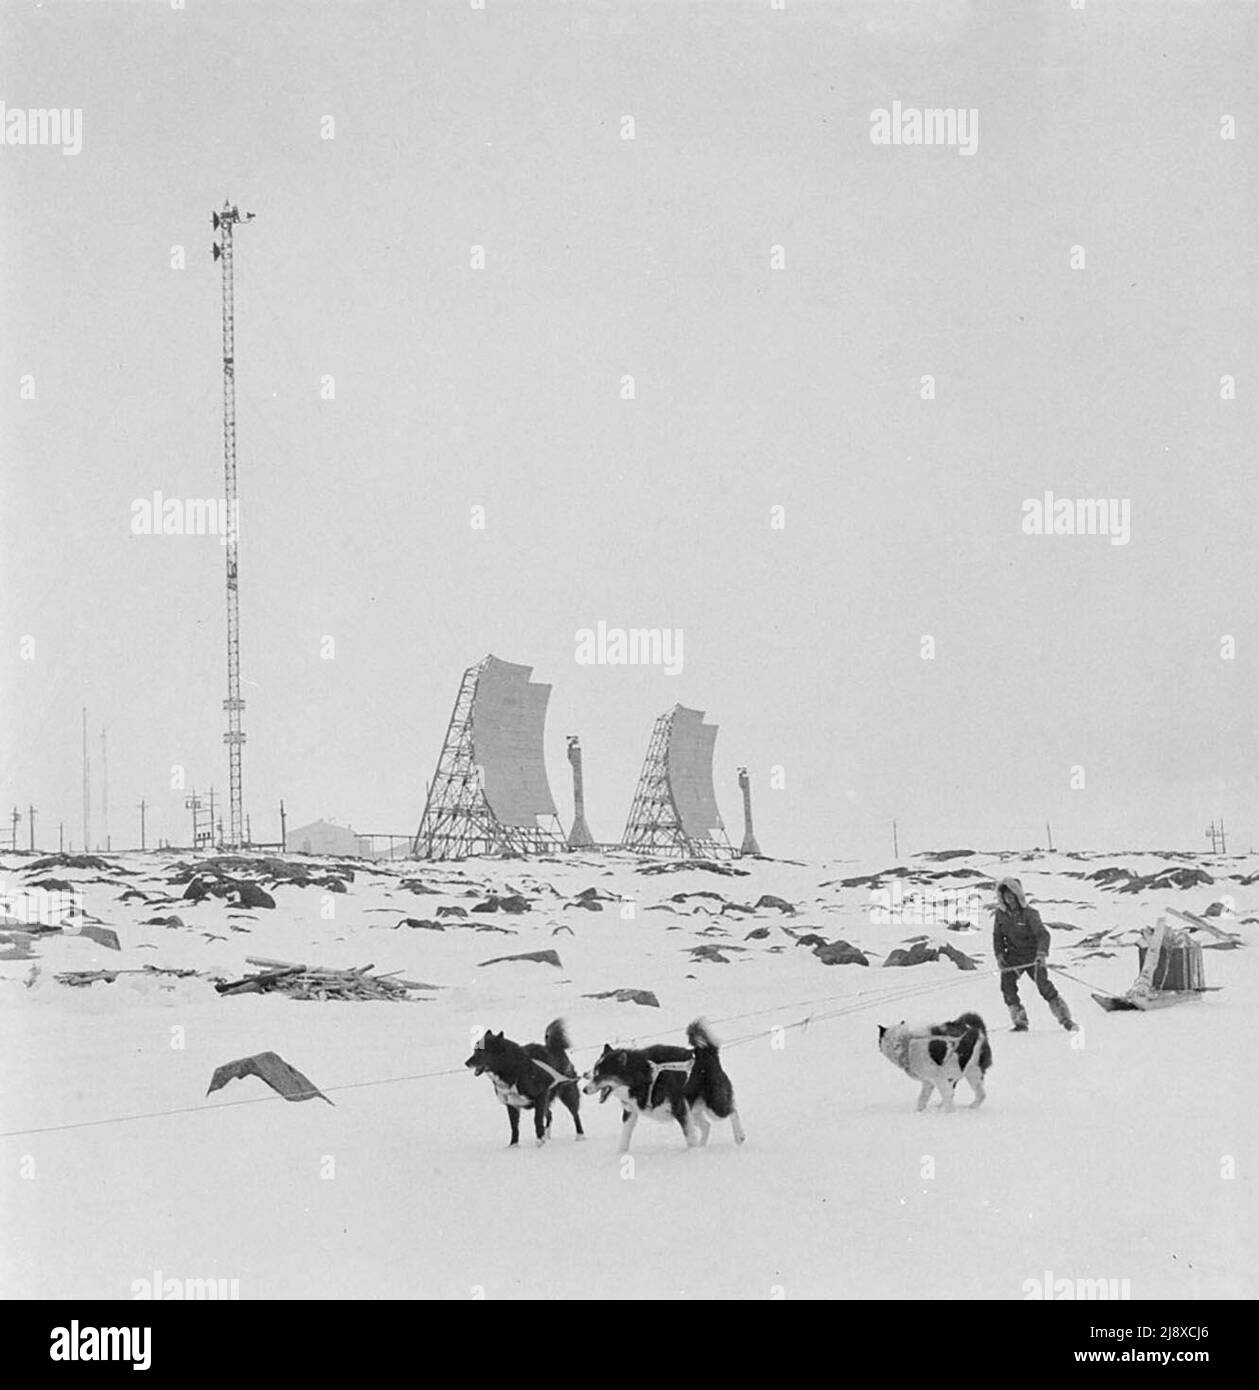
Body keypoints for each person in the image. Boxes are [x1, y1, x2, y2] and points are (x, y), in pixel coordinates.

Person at [992, 877, 1076, 1031]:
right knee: (1007, 987)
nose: (1008, 898)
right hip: (1013, 958)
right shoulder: (1000, 914)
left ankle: (1065, 1019)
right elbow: (997, 936)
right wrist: (999, 955)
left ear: (1018, 894)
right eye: (1005, 894)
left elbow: (1043, 935)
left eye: (1011, 894)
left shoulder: (1030, 914)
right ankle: (1020, 1022)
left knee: (1044, 986)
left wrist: (1041, 954)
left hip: (1033, 957)